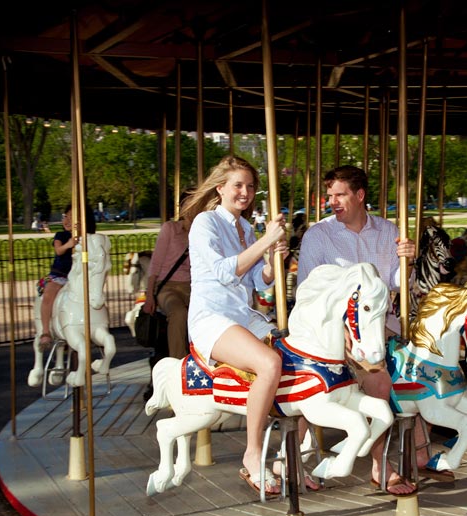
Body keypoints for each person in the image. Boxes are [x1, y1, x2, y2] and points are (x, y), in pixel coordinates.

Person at [296, 165, 437, 497]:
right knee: (377, 378)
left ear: (359, 196)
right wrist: (342, 330)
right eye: (329, 195)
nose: (332, 201)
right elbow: (306, 290)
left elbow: (399, 285)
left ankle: (418, 444)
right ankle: (380, 463)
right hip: (333, 331)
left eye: (339, 194)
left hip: (380, 326)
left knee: (427, 365)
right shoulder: (319, 236)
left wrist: (409, 262)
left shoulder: (389, 232)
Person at [183, 155, 289, 497]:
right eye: (238, 185)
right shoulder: (205, 223)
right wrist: (265, 241)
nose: (245, 192)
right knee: (269, 362)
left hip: (244, 316)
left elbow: (260, 281)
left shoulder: (245, 228)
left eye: (250, 186)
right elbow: (225, 272)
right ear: (221, 188)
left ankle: (292, 452)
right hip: (212, 318)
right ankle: (252, 451)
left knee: (300, 356)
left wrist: (276, 258)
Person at [142, 197, 195, 360]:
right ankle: (179, 364)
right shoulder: (170, 229)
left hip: (193, 286)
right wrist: (149, 294)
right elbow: (156, 262)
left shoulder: (202, 232)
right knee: (178, 313)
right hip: (168, 286)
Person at [37, 205, 96, 351]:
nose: (67, 220)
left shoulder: (86, 238)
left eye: (72, 217)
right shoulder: (60, 236)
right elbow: (58, 250)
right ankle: (45, 331)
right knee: (49, 295)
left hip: (77, 276)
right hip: (60, 276)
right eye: (66, 216)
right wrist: (69, 244)